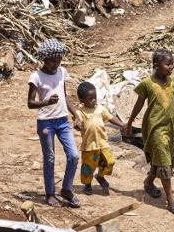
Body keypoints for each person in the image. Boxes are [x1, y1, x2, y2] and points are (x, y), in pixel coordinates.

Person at [123, 49, 174, 216]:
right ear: (156, 65)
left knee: (166, 160)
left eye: (172, 64)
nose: (171, 67)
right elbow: (139, 104)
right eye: (167, 64)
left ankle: (148, 182)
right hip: (155, 129)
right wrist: (130, 122)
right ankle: (171, 200)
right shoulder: (147, 83)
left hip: (171, 129)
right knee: (163, 161)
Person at [26, 39, 80, 208]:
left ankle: (66, 189)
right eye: (52, 60)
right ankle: (50, 193)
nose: (56, 64)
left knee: (74, 156)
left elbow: (65, 96)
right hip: (46, 123)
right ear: (45, 59)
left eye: (59, 60)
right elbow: (30, 103)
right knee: (49, 158)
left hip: (63, 121)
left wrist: (76, 114)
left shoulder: (62, 72)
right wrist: (47, 102)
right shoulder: (36, 76)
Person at [74, 81, 124, 195]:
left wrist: (122, 124)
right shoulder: (80, 112)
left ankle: (100, 176)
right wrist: (77, 125)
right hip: (89, 146)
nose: (94, 100)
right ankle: (87, 185)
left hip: (102, 144)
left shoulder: (101, 108)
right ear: (82, 100)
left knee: (110, 162)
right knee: (88, 168)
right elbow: (78, 122)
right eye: (90, 98)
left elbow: (110, 118)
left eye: (95, 97)